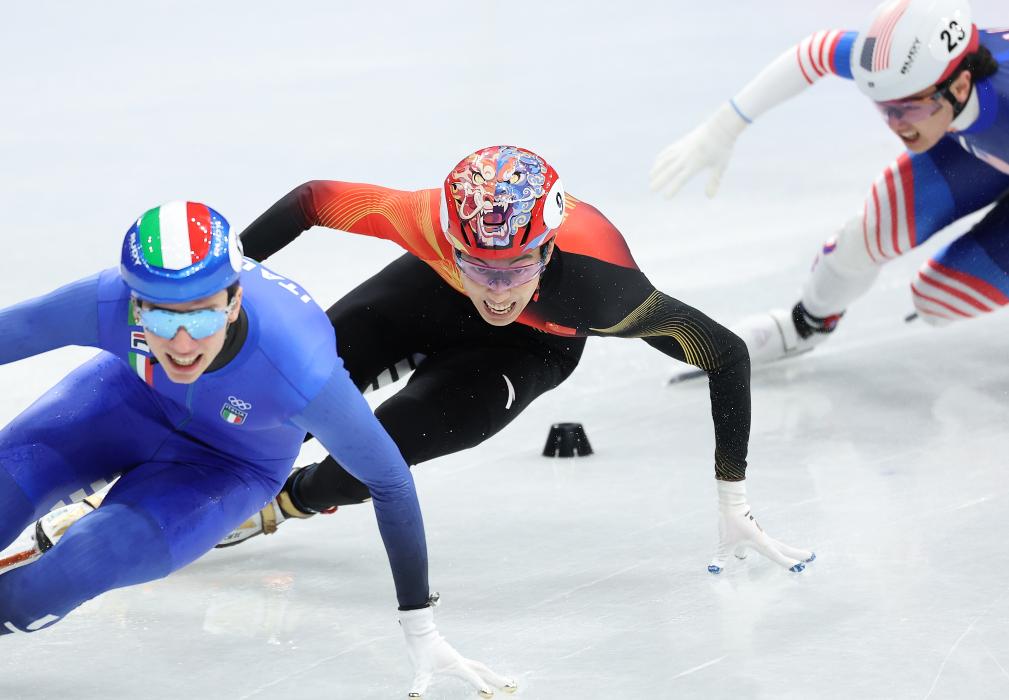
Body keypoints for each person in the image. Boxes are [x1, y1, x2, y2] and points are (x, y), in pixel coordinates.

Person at [209, 144, 813, 574]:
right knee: (293, 381)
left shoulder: (602, 287)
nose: (498, 292)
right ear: (451, 241)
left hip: (532, 347)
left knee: (384, 446)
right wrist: (221, 283)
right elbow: (312, 200)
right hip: (429, 292)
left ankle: (284, 503)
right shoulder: (422, 220)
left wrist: (732, 498)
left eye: (518, 266)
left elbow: (726, 355)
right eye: (480, 265)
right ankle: (200, 455)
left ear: (548, 250)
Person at [0, 201, 512, 698]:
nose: (182, 344)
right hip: (127, 398)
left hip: (227, 467)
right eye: (162, 321)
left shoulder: (298, 367)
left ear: (234, 302)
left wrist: (419, 624)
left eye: (202, 318)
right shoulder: (107, 301)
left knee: (79, 566)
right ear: (135, 306)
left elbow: (390, 480)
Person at [650, 0, 1009, 363]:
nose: (897, 125)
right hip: (983, 145)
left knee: (941, 298)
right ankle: (803, 327)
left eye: (908, 109)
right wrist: (723, 128)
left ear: (960, 87)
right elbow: (814, 53)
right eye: (885, 109)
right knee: (874, 244)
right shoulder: (903, 67)